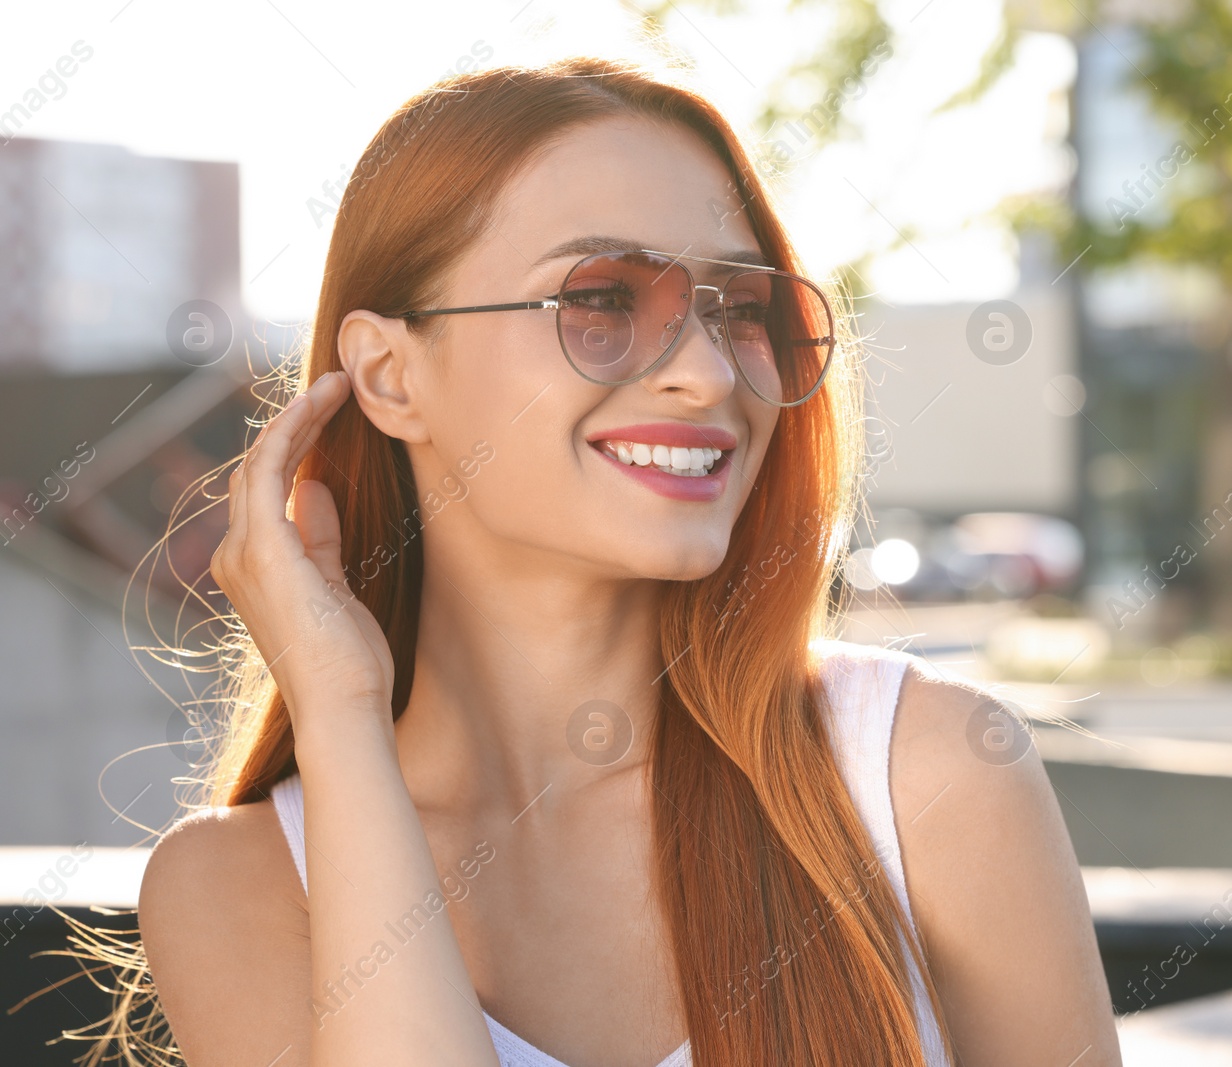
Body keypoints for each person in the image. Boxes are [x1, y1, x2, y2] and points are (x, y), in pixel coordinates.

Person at [133, 58, 1120, 1067]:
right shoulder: (237, 884)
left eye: (740, 310)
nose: (704, 373)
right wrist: (339, 712)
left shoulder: (930, 776)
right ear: (391, 375)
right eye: (600, 299)